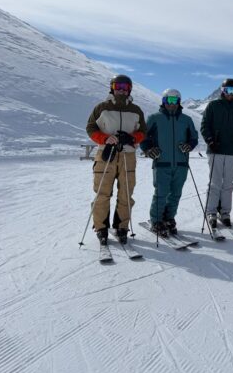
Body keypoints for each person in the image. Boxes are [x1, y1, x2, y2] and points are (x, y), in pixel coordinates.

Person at [85, 74, 146, 245]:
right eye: (118, 86)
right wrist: (104, 138)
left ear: (129, 90)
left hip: (128, 155)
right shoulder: (102, 108)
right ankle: (101, 228)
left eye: (125, 87)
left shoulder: (136, 110)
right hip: (106, 154)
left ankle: (121, 227)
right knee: (102, 193)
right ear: (112, 88)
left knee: (126, 193)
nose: (121, 90)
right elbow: (91, 127)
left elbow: (143, 131)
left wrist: (132, 138)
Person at [140, 89, 198, 236]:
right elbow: (144, 137)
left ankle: (169, 218)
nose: (171, 104)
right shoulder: (154, 118)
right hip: (162, 162)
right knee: (161, 193)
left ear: (179, 102)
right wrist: (148, 149)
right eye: (168, 100)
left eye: (174, 101)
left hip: (181, 163)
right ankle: (156, 220)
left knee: (176, 194)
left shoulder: (186, 119)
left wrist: (189, 146)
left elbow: (193, 138)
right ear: (163, 101)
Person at [200, 78, 233, 229]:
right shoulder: (213, 105)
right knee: (215, 183)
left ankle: (225, 212)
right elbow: (205, 125)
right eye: (227, 90)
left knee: (228, 184)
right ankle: (211, 212)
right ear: (222, 90)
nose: (230, 94)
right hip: (216, 149)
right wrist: (210, 140)